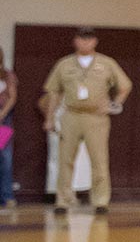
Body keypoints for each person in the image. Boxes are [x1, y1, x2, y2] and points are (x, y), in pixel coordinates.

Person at [38, 27, 130, 214]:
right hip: (71, 114)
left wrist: (114, 105)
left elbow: (125, 86)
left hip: (96, 116)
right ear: (75, 41)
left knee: (99, 160)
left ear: (95, 41)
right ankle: (63, 200)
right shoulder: (64, 64)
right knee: (65, 159)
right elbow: (54, 92)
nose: (85, 43)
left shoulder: (106, 63)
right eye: (81, 39)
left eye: (88, 39)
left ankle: (101, 201)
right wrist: (49, 119)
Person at [0, 47, 18, 212]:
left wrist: (1, 114)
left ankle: (7, 196)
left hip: (3, 121)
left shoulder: (7, 75)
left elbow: (12, 97)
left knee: (5, 160)